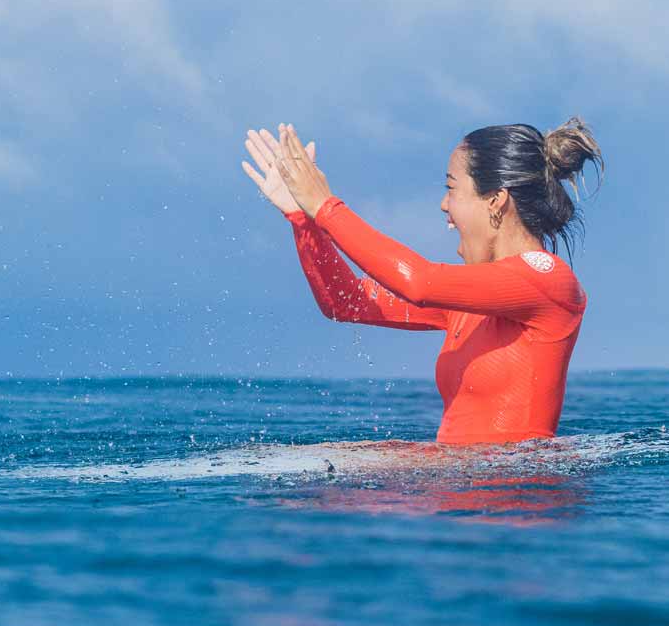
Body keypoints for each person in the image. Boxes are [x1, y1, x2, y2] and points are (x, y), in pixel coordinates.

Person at [241, 119, 604, 444]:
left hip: (516, 497)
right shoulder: (472, 300)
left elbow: (418, 280)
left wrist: (324, 205)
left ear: (495, 200)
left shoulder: (548, 279)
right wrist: (301, 218)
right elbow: (344, 301)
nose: (444, 206)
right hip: (462, 490)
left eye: (452, 188)